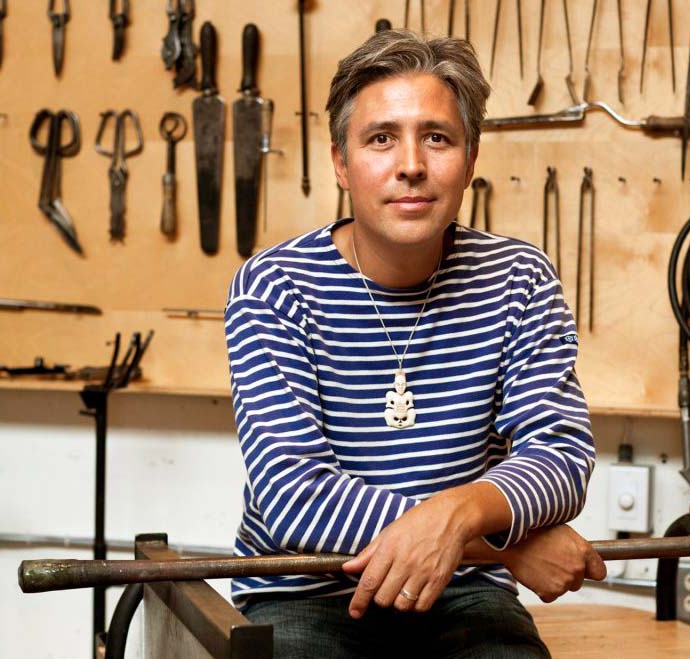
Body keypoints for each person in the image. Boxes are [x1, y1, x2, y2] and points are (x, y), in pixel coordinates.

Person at [222, 29, 604, 659]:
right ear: (341, 163)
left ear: (471, 158)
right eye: (381, 138)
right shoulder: (274, 286)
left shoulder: (520, 279)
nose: (411, 165)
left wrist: (456, 527)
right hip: (306, 593)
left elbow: (560, 457)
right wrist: (504, 539)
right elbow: (294, 496)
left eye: (437, 137)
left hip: (463, 594)